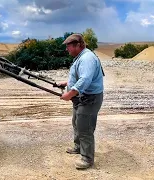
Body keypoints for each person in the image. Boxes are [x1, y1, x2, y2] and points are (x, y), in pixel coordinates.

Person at [58, 33, 104, 170]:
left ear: (78, 45)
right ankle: (78, 147)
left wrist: (70, 93)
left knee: (85, 128)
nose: (67, 49)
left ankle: (87, 158)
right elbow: (80, 76)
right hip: (81, 98)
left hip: (89, 99)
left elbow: (85, 80)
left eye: (69, 46)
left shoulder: (87, 58)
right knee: (76, 122)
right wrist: (67, 83)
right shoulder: (81, 57)